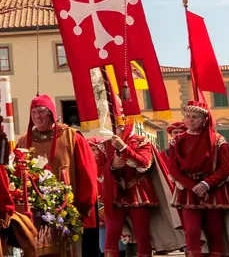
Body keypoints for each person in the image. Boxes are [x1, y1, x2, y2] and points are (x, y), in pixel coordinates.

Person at [19, 95, 98, 255]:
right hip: (35, 214)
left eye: (41, 111)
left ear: (51, 113)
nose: (37, 116)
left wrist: (82, 206)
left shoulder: (72, 137)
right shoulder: (23, 142)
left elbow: (87, 173)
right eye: (33, 112)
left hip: (67, 212)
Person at [165, 99, 229, 257]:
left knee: (215, 231)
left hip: (213, 189)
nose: (190, 120)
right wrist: (193, 186)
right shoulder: (177, 141)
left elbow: (225, 168)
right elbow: (174, 170)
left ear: (204, 119)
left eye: (194, 117)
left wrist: (206, 184)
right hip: (188, 191)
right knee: (192, 231)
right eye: (187, 116)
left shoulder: (218, 140)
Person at [97, 123, 180, 257]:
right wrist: (112, 166)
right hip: (114, 195)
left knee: (142, 235)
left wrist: (124, 148)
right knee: (111, 234)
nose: (119, 125)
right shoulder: (105, 145)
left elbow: (144, 163)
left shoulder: (141, 141)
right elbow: (99, 170)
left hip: (138, 193)